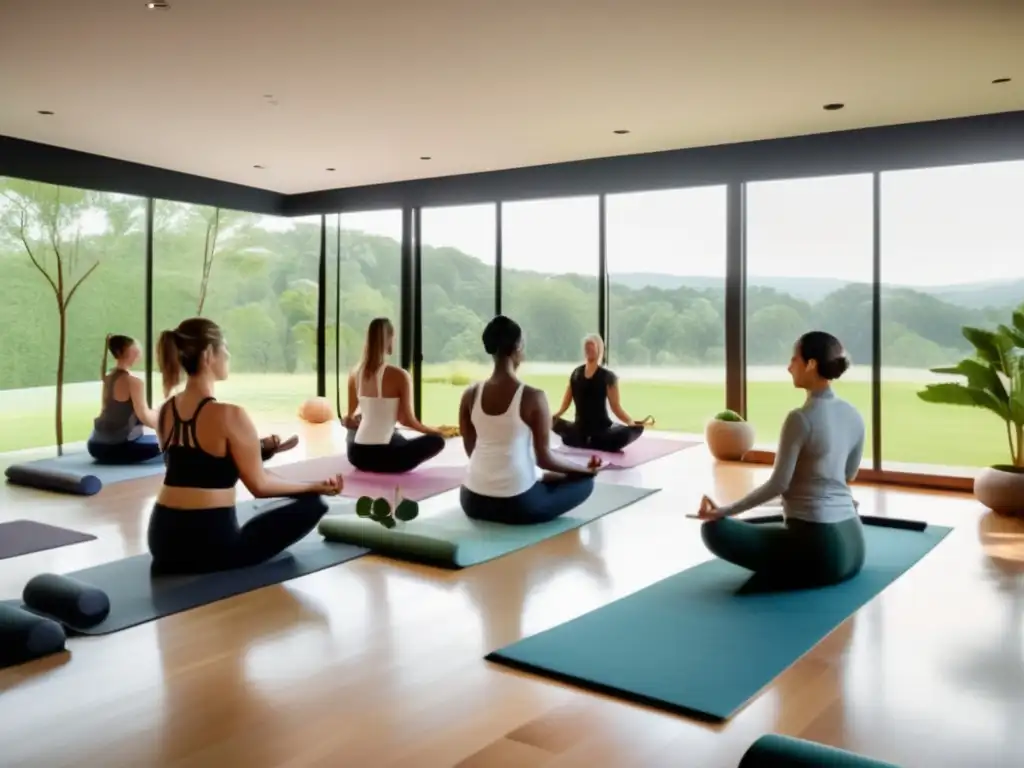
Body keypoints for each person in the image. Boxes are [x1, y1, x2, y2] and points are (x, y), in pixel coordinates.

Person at [148, 317, 342, 575]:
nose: (228, 354)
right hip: (211, 546)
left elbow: (193, 469)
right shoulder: (230, 415)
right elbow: (259, 486)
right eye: (224, 347)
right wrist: (314, 487)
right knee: (314, 504)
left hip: (162, 542)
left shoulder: (165, 411)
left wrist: (257, 451)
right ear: (208, 355)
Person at [690, 331, 867, 588]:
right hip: (854, 545)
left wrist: (722, 512)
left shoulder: (800, 418)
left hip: (822, 554)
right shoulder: (854, 414)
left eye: (794, 359)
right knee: (767, 519)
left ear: (811, 364)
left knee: (715, 530)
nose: (788, 367)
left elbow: (779, 484)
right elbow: (848, 475)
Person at [458, 315, 600, 525]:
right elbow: (545, 458)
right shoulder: (533, 397)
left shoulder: (470, 394)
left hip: (472, 500)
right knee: (585, 483)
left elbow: (472, 450)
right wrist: (586, 471)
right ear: (518, 347)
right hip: (517, 505)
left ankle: (534, 479)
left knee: (549, 477)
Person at [342, 317, 446, 474]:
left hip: (357, 455)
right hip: (387, 457)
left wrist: (354, 420)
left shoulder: (354, 373)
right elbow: (407, 420)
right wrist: (435, 431)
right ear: (390, 338)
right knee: (437, 441)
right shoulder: (399, 375)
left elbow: (349, 418)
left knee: (385, 430)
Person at [552, 333, 647, 453]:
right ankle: (588, 440)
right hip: (579, 428)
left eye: (592, 346)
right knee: (549, 421)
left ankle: (590, 440)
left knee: (624, 433)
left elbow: (616, 407)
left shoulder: (608, 377)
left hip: (602, 429)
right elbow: (565, 403)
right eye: (586, 347)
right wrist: (555, 415)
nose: (588, 349)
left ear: (599, 349)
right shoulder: (576, 373)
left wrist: (630, 422)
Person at [87, 334, 163, 464]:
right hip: (118, 447)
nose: (139, 351)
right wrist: (168, 428)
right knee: (174, 449)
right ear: (127, 352)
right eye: (135, 349)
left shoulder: (109, 377)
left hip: (94, 445)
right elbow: (144, 416)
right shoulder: (133, 382)